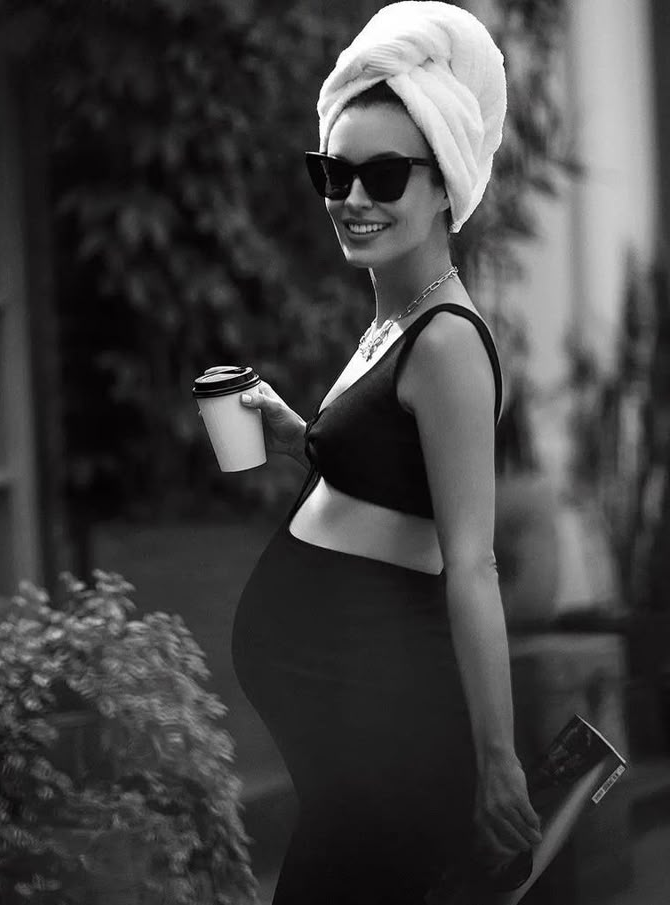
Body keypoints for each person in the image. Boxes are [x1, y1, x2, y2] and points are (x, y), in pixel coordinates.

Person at [231, 3, 542, 902]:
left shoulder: (446, 341)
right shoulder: (391, 316)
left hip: (390, 741)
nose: (352, 199)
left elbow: (471, 561)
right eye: (334, 173)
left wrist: (498, 763)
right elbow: (396, 489)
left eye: (383, 175)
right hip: (349, 751)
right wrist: (306, 437)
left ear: (444, 183)